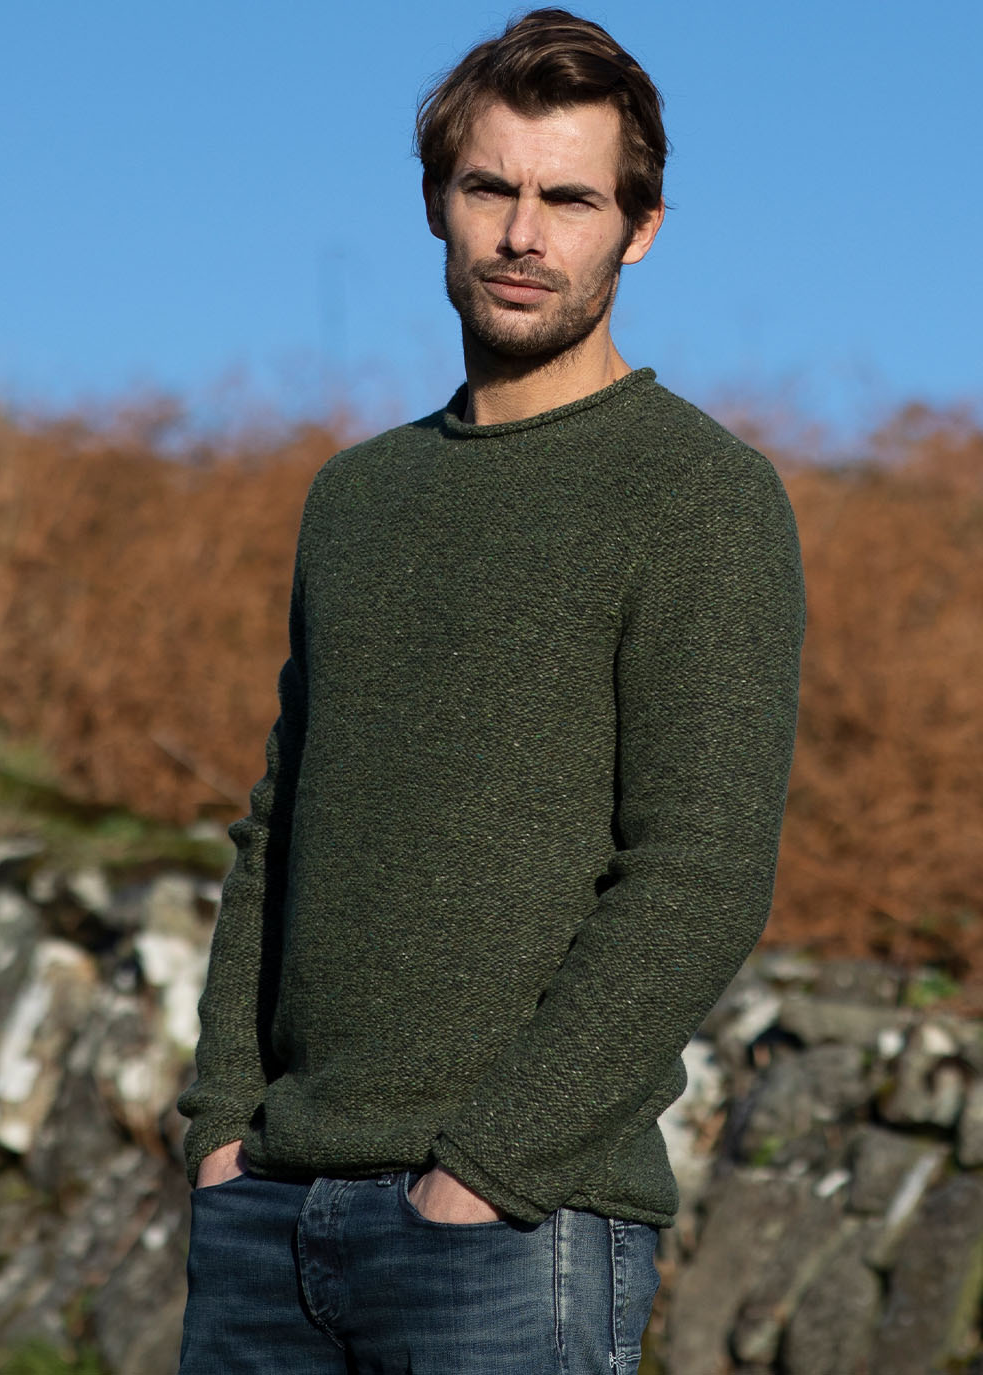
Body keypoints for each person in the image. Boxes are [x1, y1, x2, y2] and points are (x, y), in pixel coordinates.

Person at [176, 8, 806, 1372]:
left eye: (570, 200)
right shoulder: (355, 498)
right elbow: (276, 831)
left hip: (512, 1237)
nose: (523, 236)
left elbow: (699, 875)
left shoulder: (702, 498)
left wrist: (489, 1170)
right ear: (436, 205)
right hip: (266, 1221)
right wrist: (223, 1124)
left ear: (639, 230)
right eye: (489, 189)